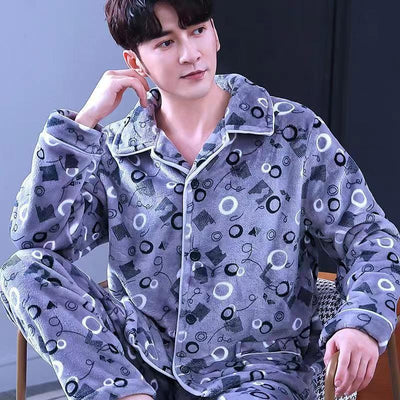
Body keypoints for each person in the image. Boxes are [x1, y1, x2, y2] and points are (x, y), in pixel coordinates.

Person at [1, 0, 399, 399]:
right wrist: (84, 123)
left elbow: (371, 237)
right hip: (139, 365)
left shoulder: (294, 133)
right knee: (22, 270)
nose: (190, 54)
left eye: (197, 31)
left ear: (215, 34)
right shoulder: (115, 150)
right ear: (135, 62)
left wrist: (362, 322)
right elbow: (39, 244)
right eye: (165, 42)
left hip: (257, 372)